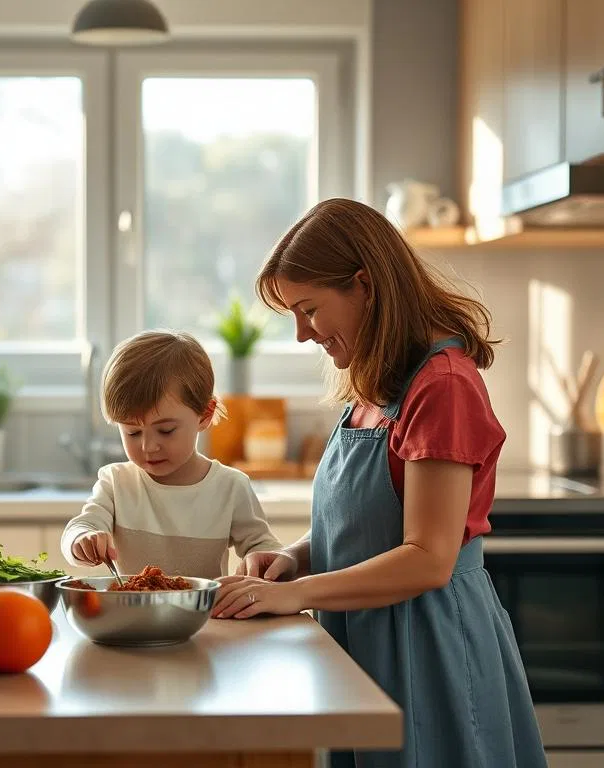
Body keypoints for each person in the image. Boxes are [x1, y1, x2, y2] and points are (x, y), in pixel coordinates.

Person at [211, 199, 547, 768]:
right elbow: (371, 527)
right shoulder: (377, 383)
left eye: (309, 309)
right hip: (362, 639)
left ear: (364, 285)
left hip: (427, 647)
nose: (301, 334)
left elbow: (427, 558)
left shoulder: (442, 385)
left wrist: (292, 596)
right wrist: (297, 558)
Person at [60, 330, 281, 580]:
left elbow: (264, 548)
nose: (148, 446)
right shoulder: (116, 483)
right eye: (132, 432)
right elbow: (81, 526)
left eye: (166, 430)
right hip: (133, 616)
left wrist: (261, 561)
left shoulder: (230, 487)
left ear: (205, 415)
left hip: (206, 618)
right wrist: (81, 540)